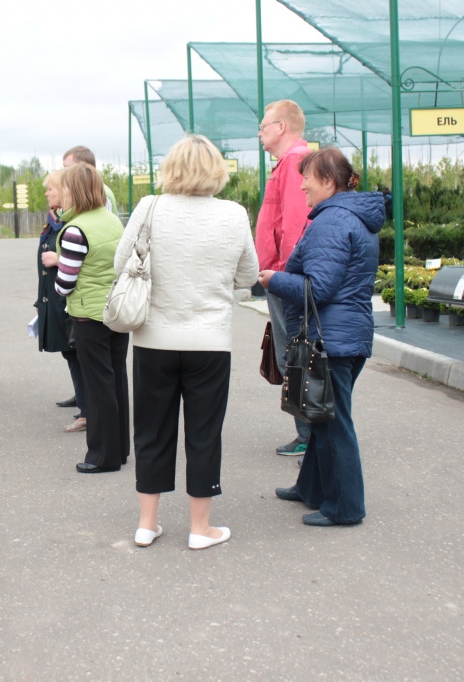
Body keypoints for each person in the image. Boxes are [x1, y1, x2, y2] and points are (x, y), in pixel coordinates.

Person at [116, 135, 259, 550]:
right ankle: (200, 529)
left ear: (171, 168)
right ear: (216, 169)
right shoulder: (233, 214)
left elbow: (120, 263)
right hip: (210, 342)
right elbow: (248, 276)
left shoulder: (150, 207)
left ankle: (147, 523)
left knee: (151, 430)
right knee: (203, 433)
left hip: (153, 339)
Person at [256, 147, 384, 527]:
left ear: (328, 180)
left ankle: (344, 507)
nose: (303, 186)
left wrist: (274, 279)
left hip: (332, 337)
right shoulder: (352, 216)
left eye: (308, 178)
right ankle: (310, 488)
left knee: (332, 422)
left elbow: (319, 287)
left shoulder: (331, 221)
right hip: (346, 334)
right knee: (321, 414)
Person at [55, 162, 129, 473]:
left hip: (88, 316)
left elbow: (64, 283)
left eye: (63, 188)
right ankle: (121, 449)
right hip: (115, 311)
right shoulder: (112, 221)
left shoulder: (75, 230)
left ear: (73, 192)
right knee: (116, 382)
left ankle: (102, 456)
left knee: (97, 389)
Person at [255, 99, 313, 459]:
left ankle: (307, 431)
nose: (260, 133)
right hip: (281, 273)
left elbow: (294, 223)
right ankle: (307, 428)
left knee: (294, 352)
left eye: (263, 126)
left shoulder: (293, 162)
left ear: (281, 127)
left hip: (283, 275)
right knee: (294, 351)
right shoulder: (292, 162)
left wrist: (282, 275)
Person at [35, 169, 87, 432]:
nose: (46, 193)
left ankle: (88, 412)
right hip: (55, 299)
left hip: (69, 300)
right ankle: (84, 404)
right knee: (70, 353)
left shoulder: (72, 222)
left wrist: (58, 259)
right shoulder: (55, 220)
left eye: (51, 189)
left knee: (78, 353)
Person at [63, 145, 118, 214]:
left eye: (68, 168)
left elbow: (103, 222)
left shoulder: (102, 193)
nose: (63, 173)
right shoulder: (82, 192)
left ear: (84, 168)